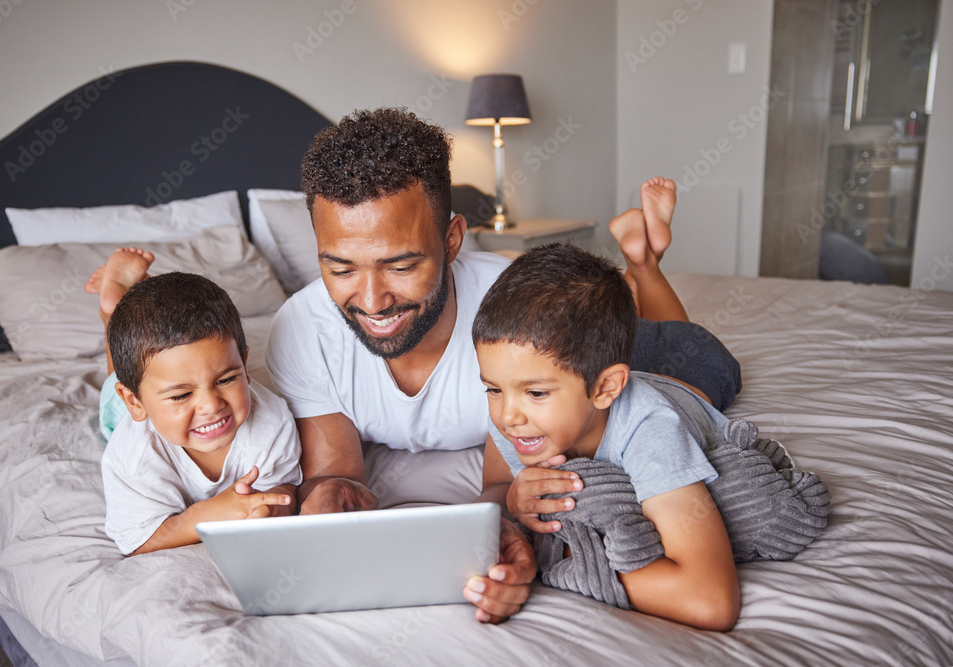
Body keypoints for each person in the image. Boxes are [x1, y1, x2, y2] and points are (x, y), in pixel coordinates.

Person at [265, 108, 740, 622]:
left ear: (452, 241)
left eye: (401, 266)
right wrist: (326, 498)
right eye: (340, 268)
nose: (374, 301)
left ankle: (644, 265)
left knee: (677, 358)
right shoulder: (300, 330)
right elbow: (339, 472)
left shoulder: (509, 323)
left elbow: (500, 481)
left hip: (603, 351)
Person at [472, 242, 739, 631]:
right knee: (616, 342)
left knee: (678, 338)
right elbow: (495, 484)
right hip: (604, 370)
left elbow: (711, 601)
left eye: (536, 393)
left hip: (690, 370)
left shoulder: (653, 430)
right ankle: (634, 278)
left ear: (606, 388)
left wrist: (567, 561)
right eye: (493, 389)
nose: (506, 416)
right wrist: (512, 499)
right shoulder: (520, 419)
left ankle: (644, 265)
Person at [86, 250, 302, 556]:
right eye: (181, 395)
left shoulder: (273, 422)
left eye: (225, 380)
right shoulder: (134, 456)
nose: (211, 406)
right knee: (118, 375)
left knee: (144, 369)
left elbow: (285, 486)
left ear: (244, 363)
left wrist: (271, 505)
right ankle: (111, 311)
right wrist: (205, 516)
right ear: (136, 402)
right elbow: (137, 541)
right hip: (122, 411)